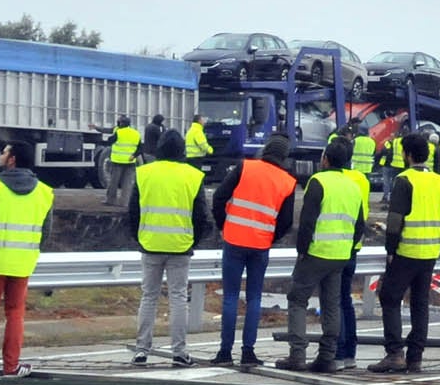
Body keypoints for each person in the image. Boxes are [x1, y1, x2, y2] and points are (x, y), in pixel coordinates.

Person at [280, 138, 366, 371]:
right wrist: (347, 248)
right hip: (340, 255)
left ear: (325, 159)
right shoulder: (353, 186)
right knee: (332, 304)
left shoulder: (318, 181)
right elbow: (360, 225)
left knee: (297, 300)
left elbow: (307, 221)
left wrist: (302, 250)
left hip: (316, 253)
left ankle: (297, 354)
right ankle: (327, 356)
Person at [0, 142, 53, 377]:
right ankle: (11, 366)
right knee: (15, 313)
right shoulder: (45, 191)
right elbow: (46, 231)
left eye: (5, 152)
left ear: (12, 159)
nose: (1, 155)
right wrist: (33, 251)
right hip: (24, 260)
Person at [213, 132, 297, 367]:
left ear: (266, 149)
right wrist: (271, 237)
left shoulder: (244, 167)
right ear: (284, 156)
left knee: (230, 297)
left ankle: (224, 352)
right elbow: (287, 221)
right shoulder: (287, 181)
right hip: (260, 244)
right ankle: (248, 351)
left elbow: (219, 198)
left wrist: (223, 225)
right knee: (254, 298)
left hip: (234, 238)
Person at [129, 128, 204, 367]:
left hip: (150, 243)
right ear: (182, 149)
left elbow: (132, 211)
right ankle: (180, 352)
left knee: (148, 296)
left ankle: (141, 350)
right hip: (181, 245)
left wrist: (139, 237)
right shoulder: (193, 175)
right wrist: (193, 240)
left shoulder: (144, 173)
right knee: (179, 297)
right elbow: (201, 215)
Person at [375, 135, 440, 373]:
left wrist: (390, 248)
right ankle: (415, 356)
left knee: (389, 296)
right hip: (430, 250)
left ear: (407, 155)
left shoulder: (404, 180)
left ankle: (394, 353)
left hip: (407, 249)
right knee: (420, 303)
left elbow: (395, 220)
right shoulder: (439, 181)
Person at [103, 113, 143, 215]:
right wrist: (134, 155)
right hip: (130, 162)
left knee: (114, 182)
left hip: (118, 161)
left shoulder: (119, 132)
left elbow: (109, 141)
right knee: (127, 183)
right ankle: (124, 202)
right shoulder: (136, 133)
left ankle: (110, 200)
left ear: (121, 123)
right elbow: (140, 148)